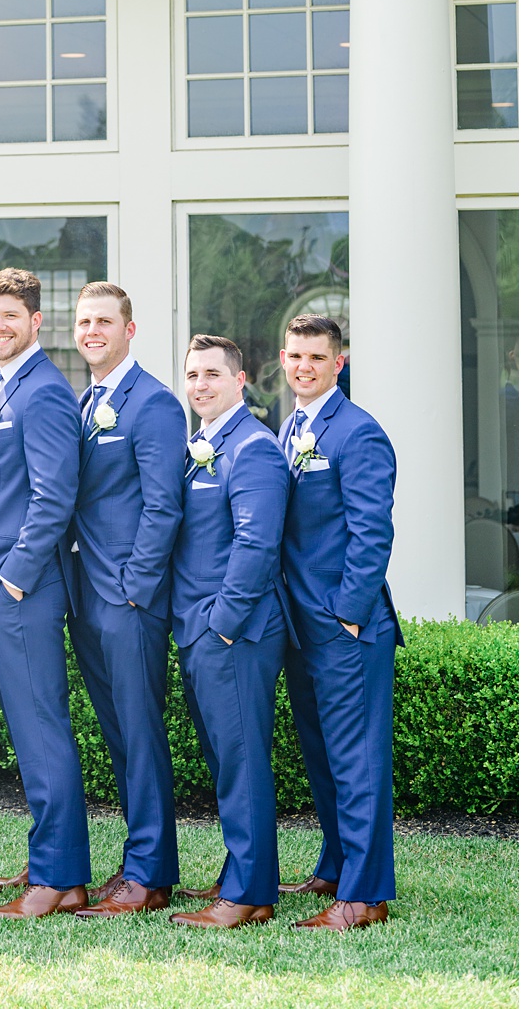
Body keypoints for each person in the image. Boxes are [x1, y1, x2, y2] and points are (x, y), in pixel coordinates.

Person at [0, 268, 91, 917]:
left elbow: (54, 494)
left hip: (22, 591)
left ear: (36, 322)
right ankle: (52, 863)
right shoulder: (4, 386)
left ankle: (56, 880)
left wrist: (14, 576)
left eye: (9, 316)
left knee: (41, 731)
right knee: (31, 731)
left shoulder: (44, 392)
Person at [275, 313, 402, 931]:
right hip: (298, 626)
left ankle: (365, 894)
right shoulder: (289, 428)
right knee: (321, 754)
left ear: (338, 363)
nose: (304, 367)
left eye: (317, 359)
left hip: (345, 628)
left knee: (358, 760)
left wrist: (347, 616)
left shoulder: (358, 433)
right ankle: (334, 863)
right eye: (296, 357)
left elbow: (372, 532)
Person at [64, 283, 186, 916]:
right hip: (85, 597)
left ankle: (149, 876)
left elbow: (163, 506)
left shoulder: (155, 405)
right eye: (84, 322)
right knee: (118, 733)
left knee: (140, 733)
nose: (92, 332)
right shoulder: (85, 402)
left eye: (104, 322)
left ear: (129, 330)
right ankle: (140, 859)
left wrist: (135, 591)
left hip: (128, 599)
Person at [168, 335, 294, 929]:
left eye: (213, 374)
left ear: (239, 380)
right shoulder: (203, 444)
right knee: (227, 760)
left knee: (242, 760)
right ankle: (236, 873)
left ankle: (249, 894)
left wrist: (220, 625)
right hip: (200, 629)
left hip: (234, 634)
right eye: (192, 375)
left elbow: (257, 545)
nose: (200, 385)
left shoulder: (253, 449)